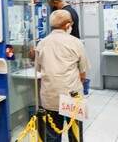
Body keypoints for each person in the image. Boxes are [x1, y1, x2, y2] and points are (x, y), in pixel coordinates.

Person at [35, 10, 90, 142]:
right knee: (75, 134)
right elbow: (83, 73)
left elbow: (38, 68)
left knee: (51, 135)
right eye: (71, 23)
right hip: (71, 97)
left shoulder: (42, 43)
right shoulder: (76, 42)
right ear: (67, 25)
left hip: (49, 96)